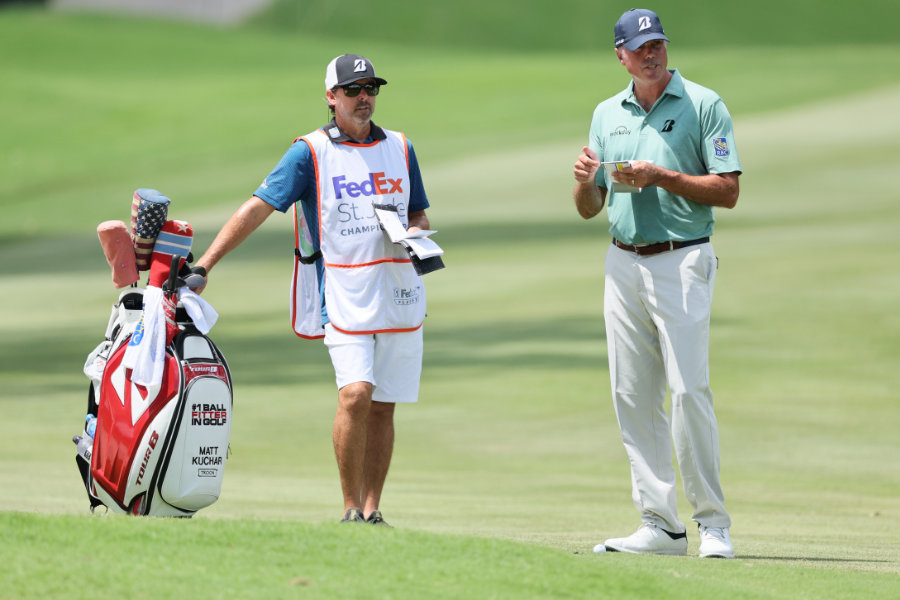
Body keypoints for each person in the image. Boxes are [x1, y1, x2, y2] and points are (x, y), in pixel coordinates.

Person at [192, 54, 432, 527]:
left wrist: (414, 232)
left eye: (371, 88)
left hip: (399, 289)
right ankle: (348, 509)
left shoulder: (401, 147)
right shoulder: (310, 151)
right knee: (356, 394)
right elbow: (260, 206)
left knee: (384, 406)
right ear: (331, 97)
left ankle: (371, 510)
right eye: (353, 90)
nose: (364, 97)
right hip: (343, 290)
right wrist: (206, 262)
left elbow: (419, 212)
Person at [572, 9, 741, 558]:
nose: (652, 53)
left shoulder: (703, 104)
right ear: (620, 55)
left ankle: (713, 525)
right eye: (641, 47)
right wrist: (583, 183)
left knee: (689, 390)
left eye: (658, 44)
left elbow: (727, 190)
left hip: (683, 258)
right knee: (632, 395)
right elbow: (590, 206)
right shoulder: (606, 113)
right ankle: (661, 525)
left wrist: (662, 176)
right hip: (622, 261)